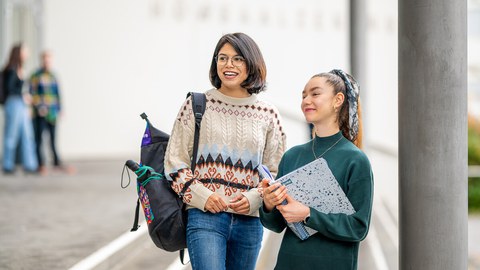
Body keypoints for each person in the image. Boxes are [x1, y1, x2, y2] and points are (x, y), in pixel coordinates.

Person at [164, 32, 286, 270]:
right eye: (222, 58)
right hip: (204, 217)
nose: (229, 65)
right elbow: (174, 162)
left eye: (238, 58)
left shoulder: (269, 114)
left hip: (249, 223)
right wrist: (203, 196)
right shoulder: (197, 105)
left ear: (251, 63)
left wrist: (254, 198)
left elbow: (276, 172)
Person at [259, 69, 373, 270]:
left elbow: (358, 227)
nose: (306, 100)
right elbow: (275, 225)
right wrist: (269, 204)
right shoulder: (292, 156)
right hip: (289, 262)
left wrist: (307, 214)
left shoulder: (356, 160)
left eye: (315, 93)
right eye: (303, 95)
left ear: (338, 100)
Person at [2, 43, 38, 174]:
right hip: (14, 104)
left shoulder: (21, 68)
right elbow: (10, 89)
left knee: (27, 135)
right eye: (25, 51)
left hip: (22, 105)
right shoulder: (11, 69)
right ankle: (7, 164)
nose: (27, 53)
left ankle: (30, 165)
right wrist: (23, 96)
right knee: (11, 135)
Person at [29, 50, 65, 174]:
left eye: (49, 60)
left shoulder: (53, 76)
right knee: (39, 140)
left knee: (53, 139)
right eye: (45, 60)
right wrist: (39, 106)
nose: (47, 62)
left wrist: (60, 109)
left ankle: (56, 161)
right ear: (41, 60)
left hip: (52, 113)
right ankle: (40, 163)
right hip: (40, 114)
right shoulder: (35, 76)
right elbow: (31, 93)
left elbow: (57, 94)